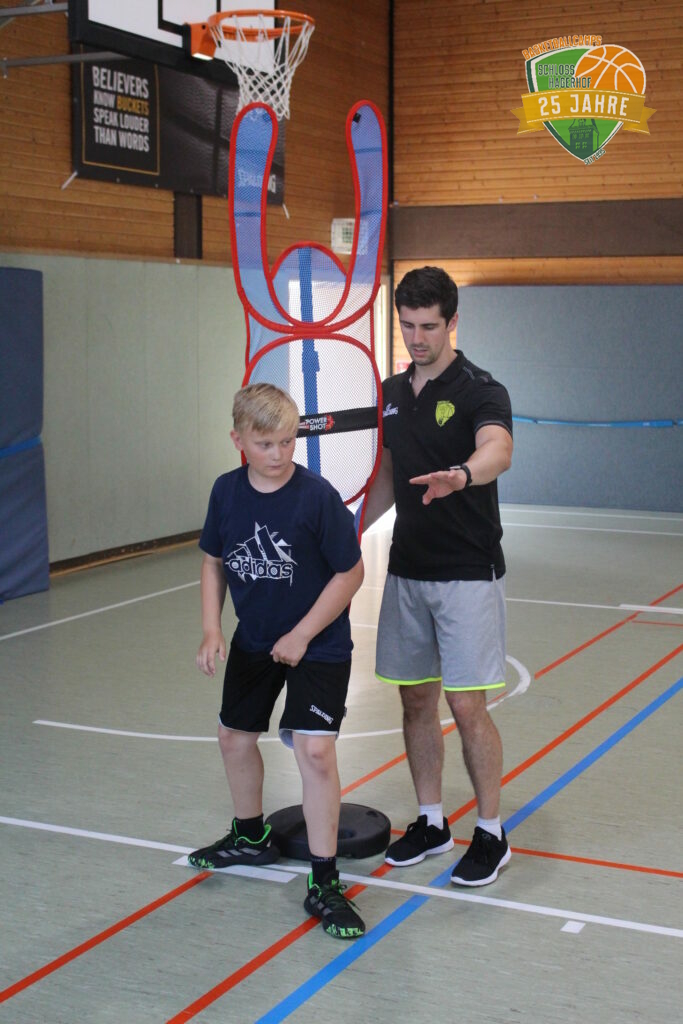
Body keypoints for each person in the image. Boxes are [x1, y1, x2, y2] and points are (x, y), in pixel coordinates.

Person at [188, 382, 366, 940]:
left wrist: (302, 634)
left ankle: (324, 882)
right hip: (256, 638)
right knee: (233, 737)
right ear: (238, 440)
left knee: (315, 751)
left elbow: (351, 573)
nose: (278, 453)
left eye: (288, 442)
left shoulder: (316, 496)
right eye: (265, 444)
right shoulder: (226, 492)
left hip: (319, 642)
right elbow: (214, 561)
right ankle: (250, 837)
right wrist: (212, 628)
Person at [364, 266, 514, 887]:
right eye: (407, 326)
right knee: (415, 699)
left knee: (467, 704)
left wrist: (464, 475)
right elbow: (386, 476)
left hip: (467, 573)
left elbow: (498, 448)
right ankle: (431, 821)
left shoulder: (482, 389)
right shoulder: (392, 391)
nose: (416, 338)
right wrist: (346, 538)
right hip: (408, 570)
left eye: (428, 326)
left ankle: (491, 833)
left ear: (453, 322)